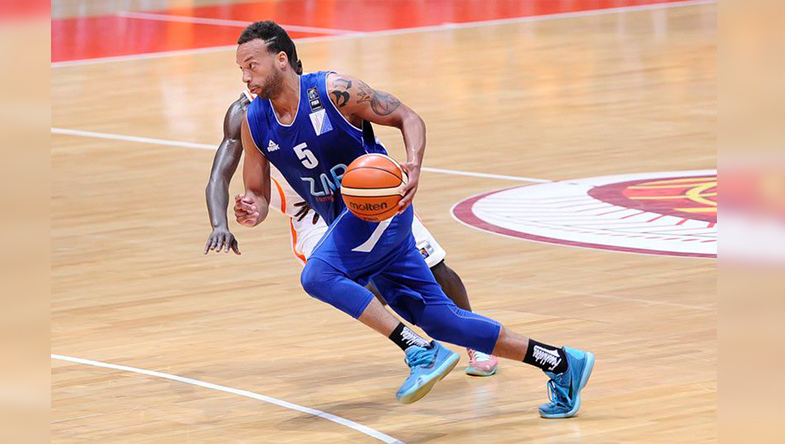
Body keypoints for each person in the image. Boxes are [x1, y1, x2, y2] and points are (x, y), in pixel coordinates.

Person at [233, 20, 594, 416]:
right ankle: (561, 362)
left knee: (317, 275)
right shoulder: (254, 123)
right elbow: (258, 192)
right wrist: (253, 208)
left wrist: (415, 167)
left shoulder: (334, 91)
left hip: (381, 209)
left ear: (281, 59)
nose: (246, 76)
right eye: (241, 69)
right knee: (441, 320)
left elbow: (408, 117)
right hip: (348, 222)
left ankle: (419, 351)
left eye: (253, 65)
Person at [204, 90, 498, 376]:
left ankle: (475, 341)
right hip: (311, 216)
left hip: (362, 196)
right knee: (351, 285)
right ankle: (418, 347)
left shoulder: (322, 94)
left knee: (434, 265)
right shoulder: (245, 114)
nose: (249, 77)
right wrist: (220, 223)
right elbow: (219, 174)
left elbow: (397, 117)